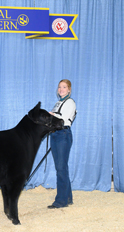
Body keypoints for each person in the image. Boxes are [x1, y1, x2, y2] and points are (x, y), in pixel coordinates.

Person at [48, 79, 76, 209]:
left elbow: (63, 119)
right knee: (61, 167)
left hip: (63, 135)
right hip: (55, 134)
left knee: (61, 168)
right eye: (59, 87)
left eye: (64, 87)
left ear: (69, 89)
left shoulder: (70, 102)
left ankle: (61, 201)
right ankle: (68, 198)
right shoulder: (58, 103)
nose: (61, 89)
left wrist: (51, 116)